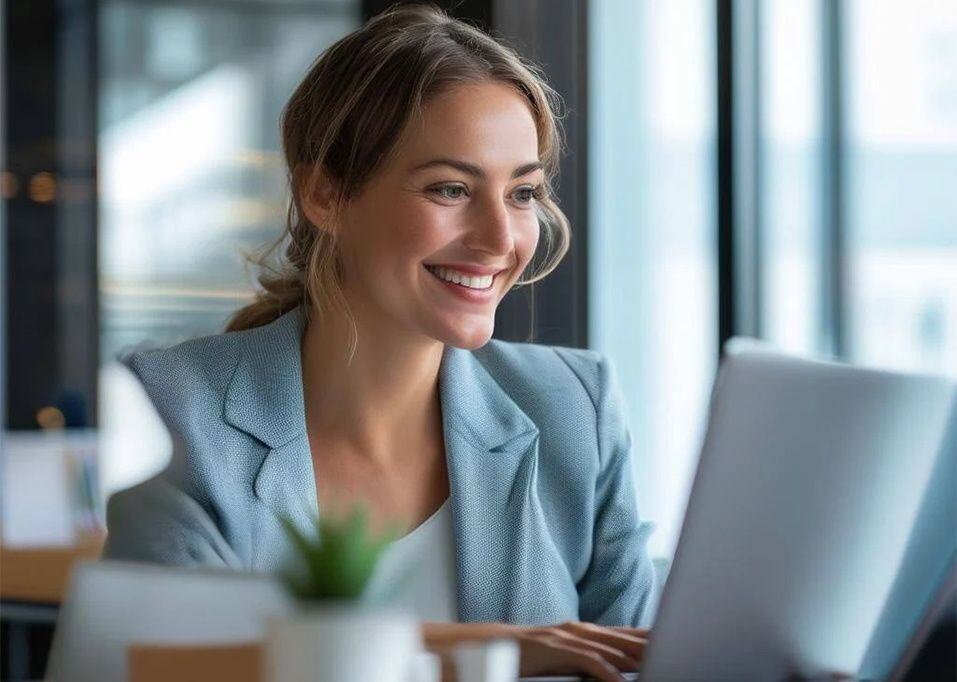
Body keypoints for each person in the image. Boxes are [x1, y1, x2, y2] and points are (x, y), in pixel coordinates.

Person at [103, 4, 656, 680]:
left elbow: (638, 662)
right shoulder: (172, 408)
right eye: (451, 189)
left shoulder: (574, 407)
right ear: (325, 193)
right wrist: (480, 652)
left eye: (522, 193)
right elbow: (160, 666)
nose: (499, 239)